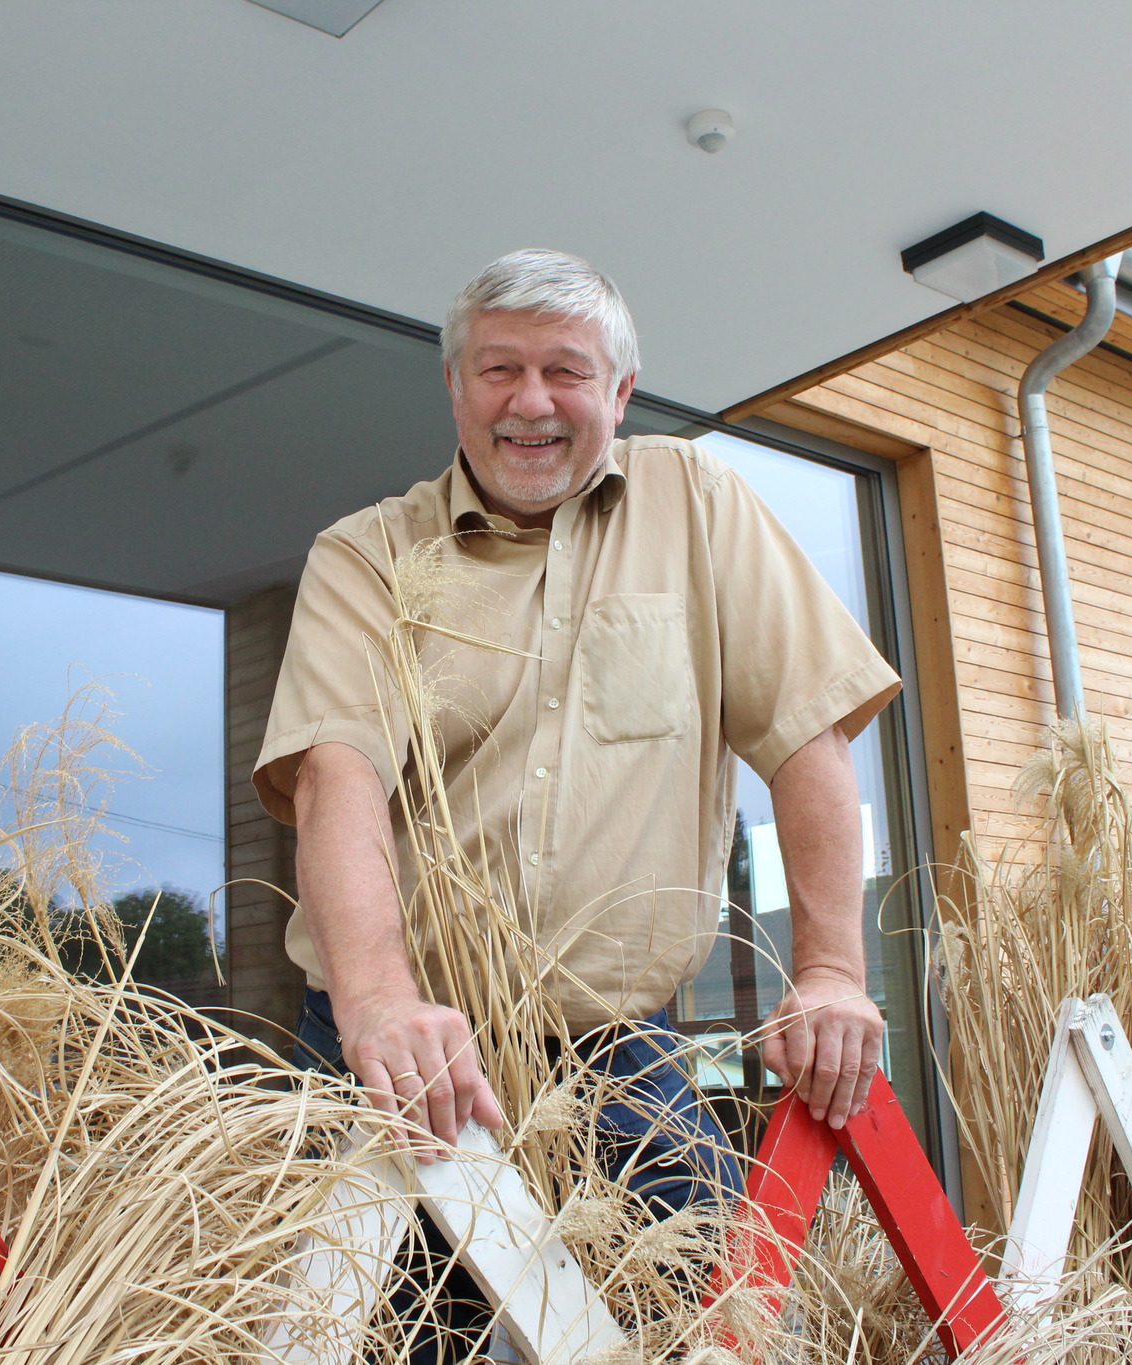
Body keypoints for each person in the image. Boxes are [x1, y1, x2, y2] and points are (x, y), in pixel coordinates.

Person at [252, 248, 901, 1349]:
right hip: (401, 1055)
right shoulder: (367, 555)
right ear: (454, 389)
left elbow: (805, 735)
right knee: (382, 1341)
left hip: (617, 1049)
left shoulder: (697, 504)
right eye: (498, 370)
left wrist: (832, 971)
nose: (532, 402)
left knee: (691, 1331)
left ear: (619, 392)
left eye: (565, 370)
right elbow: (335, 777)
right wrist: (375, 1005)